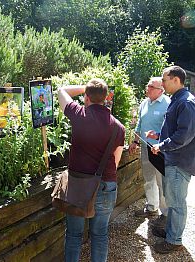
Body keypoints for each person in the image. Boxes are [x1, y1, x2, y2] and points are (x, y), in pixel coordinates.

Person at [57, 78, 125, 262]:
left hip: (79, 185)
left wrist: (85, 88)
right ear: (106, 97)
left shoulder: (79, 114)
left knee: (74, 234)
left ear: (86, 97)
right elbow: (116, 159)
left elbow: (61, 90)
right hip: (106, 184)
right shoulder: (118, 127)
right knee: (100, 234)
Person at [147, 66, 195, 254]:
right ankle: (171, 232)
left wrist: (161, 146)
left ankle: (174, 240)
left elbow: (183, 136)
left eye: (164, 80)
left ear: (176, 79)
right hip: (173, 160)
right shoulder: (178, 100)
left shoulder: (187, 103)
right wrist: (159, 136)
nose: (162, 83)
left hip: (180, 162)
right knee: (171, 200)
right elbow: (174, 130)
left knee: (177, 203)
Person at [129, 77, 170, 229]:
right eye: (147, 85)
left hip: (161, 150)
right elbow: (140, 123)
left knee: (162, 182)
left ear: (161, 90)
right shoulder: (144, 103)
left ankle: (165, 214)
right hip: (146, 148)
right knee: (148, 179)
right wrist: (135, 141)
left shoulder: (168, 104)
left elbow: (171, 129)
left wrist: (158, 136)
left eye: (151, 86)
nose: (147, 88)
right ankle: (151, 207)